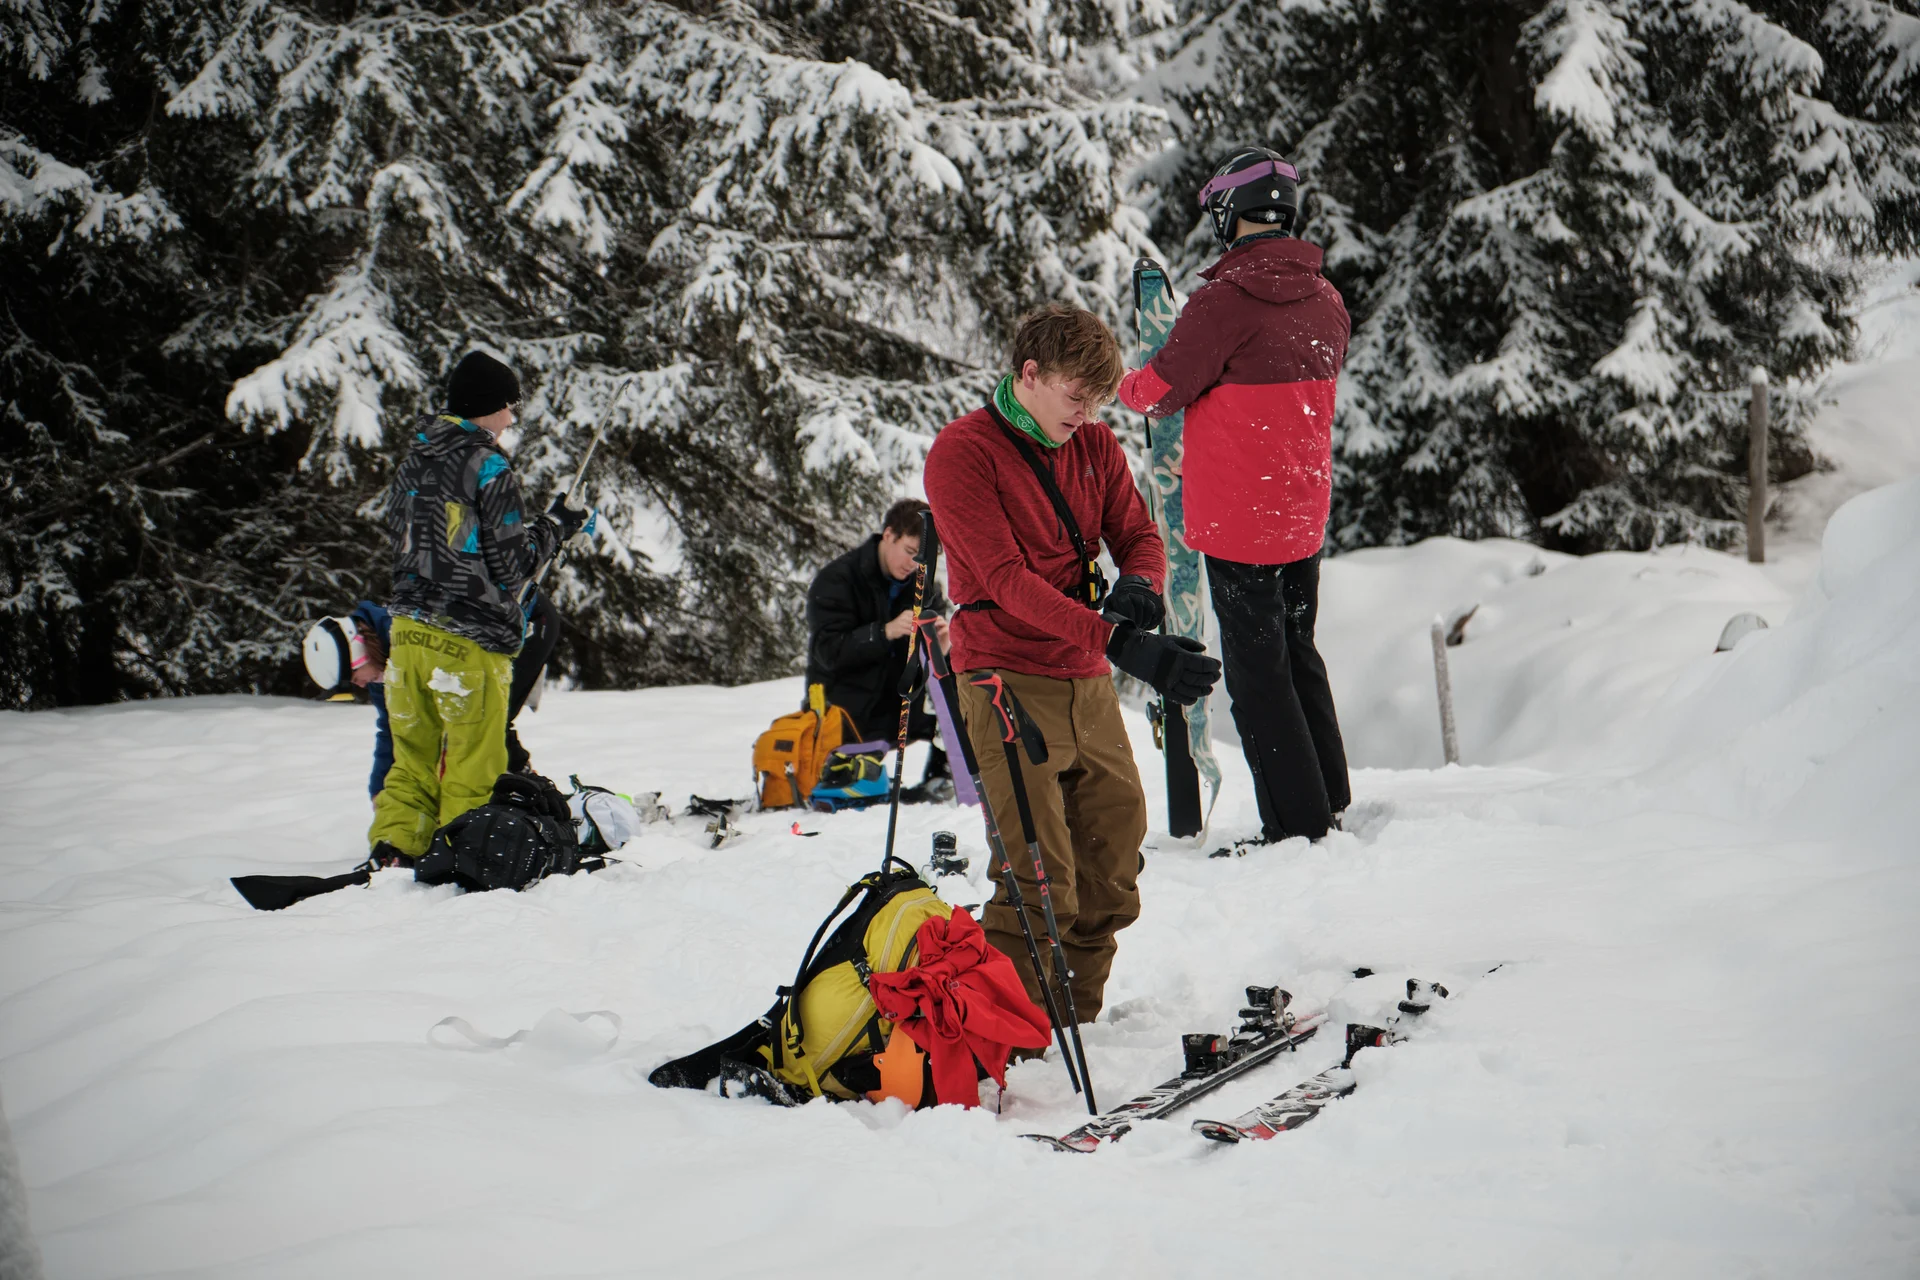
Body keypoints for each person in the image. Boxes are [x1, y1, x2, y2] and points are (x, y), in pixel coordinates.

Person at [924, 304, 1221, 1024]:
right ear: (1029, 375)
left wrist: (1138, 590)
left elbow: (1139, 534)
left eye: (1097, 400)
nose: (1086, 413)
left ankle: (1070, 1018)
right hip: (1004, 675)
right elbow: (1004, 580)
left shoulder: (1094, 446)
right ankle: (1009, 1041)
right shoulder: (963, 452)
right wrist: (1119, 643)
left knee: (1112, 863)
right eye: (1074, 395)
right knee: (1038, 877)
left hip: (1083, 677)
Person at [1117, 145, 1353, 847]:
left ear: (1229, 214)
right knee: (1298, 649)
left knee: (1257, 679)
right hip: (1302, 515)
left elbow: (1159, 390)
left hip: (1239, 524)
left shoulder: (1223, 303)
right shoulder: (1328, 300)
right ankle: (1329, 795)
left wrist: (1124, 384)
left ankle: (1298, 827)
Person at [365, 350, 589, 864]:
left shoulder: (414, 459)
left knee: (411, 759)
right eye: (509, 406)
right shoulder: (488, 464)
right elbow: (513, 565)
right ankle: (463, 856)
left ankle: (395, 846)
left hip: (408, 636)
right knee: (471, 761)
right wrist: (556, 525)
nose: (512, 417)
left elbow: (423, 544)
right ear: (486, 407)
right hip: (466, 643)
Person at [302, 589, 563, 798]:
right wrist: (380, 792)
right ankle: (521, 789)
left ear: (359, 650)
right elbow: (395, 729)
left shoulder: (408, 640)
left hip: (528, 623)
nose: (358, 686)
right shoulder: (381, 663)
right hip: (493, 643)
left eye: (352, 679)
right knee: (481, 727)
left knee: (486, 723)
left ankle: (530, 793)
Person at [805, 498, 954, 801]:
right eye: (910, 553)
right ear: (889, 535)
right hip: (844, 708)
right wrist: (883, 632)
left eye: (921, 558)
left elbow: (931, 660)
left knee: (959, 692)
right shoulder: (838, 579)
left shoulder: (923, 584)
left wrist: (941, 646)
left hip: (896, 704)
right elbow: (827, 651)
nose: (914, 564)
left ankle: (941, 779)